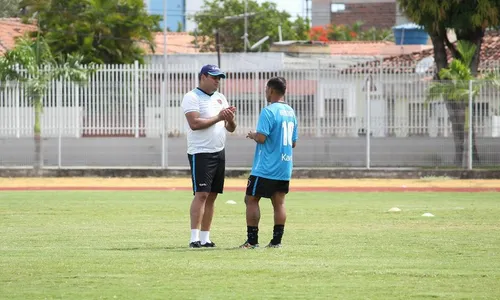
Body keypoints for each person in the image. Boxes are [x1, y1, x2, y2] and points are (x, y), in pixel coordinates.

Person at [181, 64, 237, 248]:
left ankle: (205, 238)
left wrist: (229, 120)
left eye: (219, 78)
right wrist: (220, 117)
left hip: (219, 151)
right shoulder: (192, 97)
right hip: (201, 152)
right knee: (202, 194)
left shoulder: (221, 98)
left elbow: (231, 128)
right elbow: (194, 123)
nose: (217, 81)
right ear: (203, 77)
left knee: (212, 195)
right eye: (214, 77)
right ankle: (193, 237)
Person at [240, 77, 298, 249]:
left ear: (271, 90)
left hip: (265, 167)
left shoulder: (268, 111)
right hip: (284, 166)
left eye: (266, 89)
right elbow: (293, 142)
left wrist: (252, 135)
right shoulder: (290, 112)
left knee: (251, 199)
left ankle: (252, 241)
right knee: (279, 202)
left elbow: (262, 138)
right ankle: (276, 242)